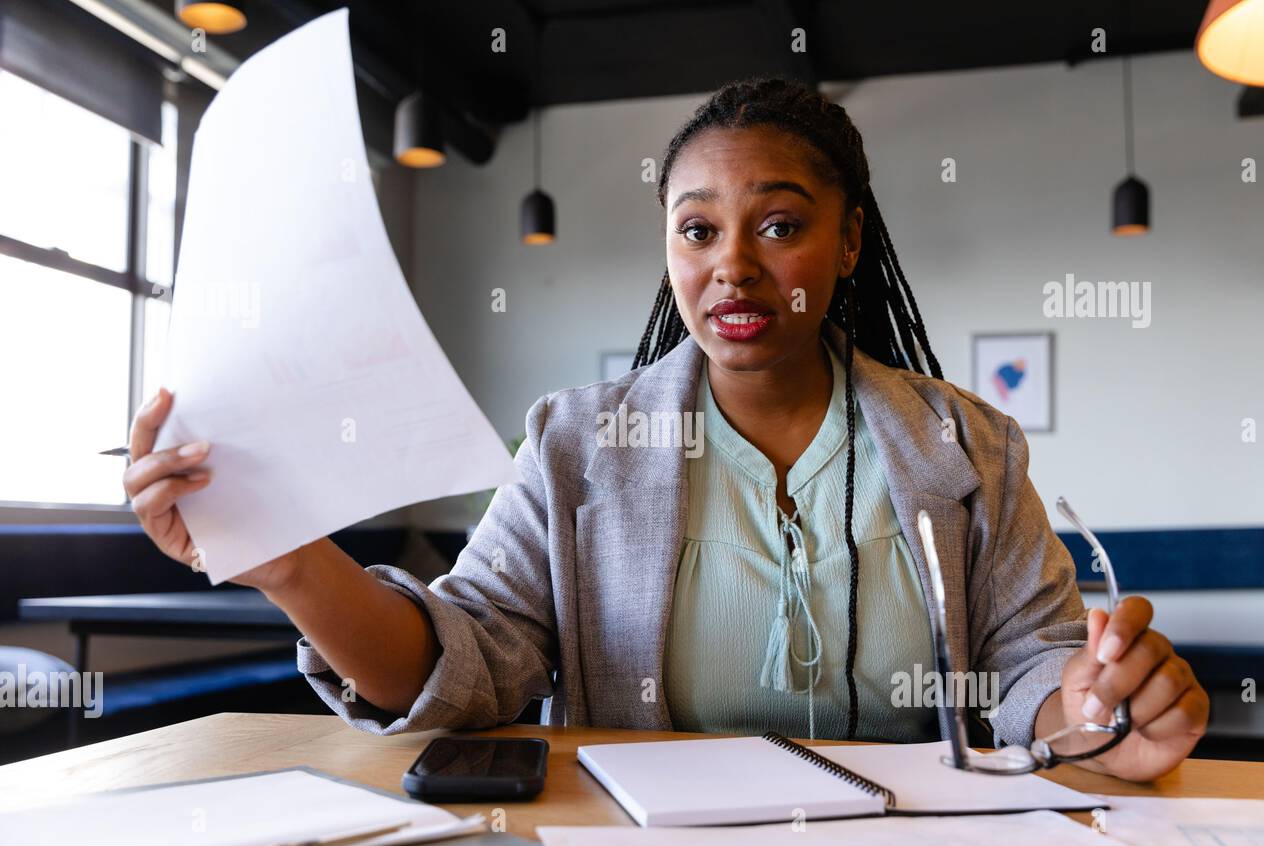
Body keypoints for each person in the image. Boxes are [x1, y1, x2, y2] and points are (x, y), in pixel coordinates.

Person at [125, 77, 1207, 782]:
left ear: (846, 242)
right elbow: (464, 668)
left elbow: (1030, 670)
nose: (731, 264)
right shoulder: (573, 444)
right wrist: (295, 566)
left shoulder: (969, 444)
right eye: (697, 229)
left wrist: (1094, 705)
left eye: (778, 224)